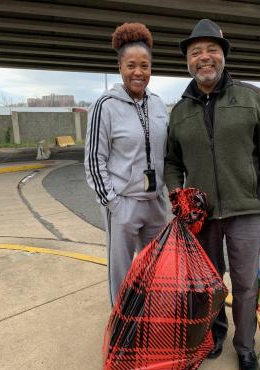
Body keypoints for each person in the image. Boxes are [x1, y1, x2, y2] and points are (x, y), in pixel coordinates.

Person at [164, 19, 260, 370]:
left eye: (211, 50)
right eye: (196, 52)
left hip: (246, 209)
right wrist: (178, 195)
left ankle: (245, 348)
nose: (204, 58)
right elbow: (172, 161)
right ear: (188, 60)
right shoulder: (180, 111)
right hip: (201, 217)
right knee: (209, 282)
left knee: (246, 284)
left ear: (223, 55)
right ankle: (215, 334)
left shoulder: (251, 98)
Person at [85, 23, 168, 306]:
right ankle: (121, 330)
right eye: (131, 65)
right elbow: (94, 160)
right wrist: (112, 202)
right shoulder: (105, 105)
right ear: (120, 66)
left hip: (155, 204)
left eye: (144, 65)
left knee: (157, 269)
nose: (138, 72)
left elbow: (166, 153)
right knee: (120, 273)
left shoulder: (158, 105)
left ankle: (151, 321)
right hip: (122, 204)